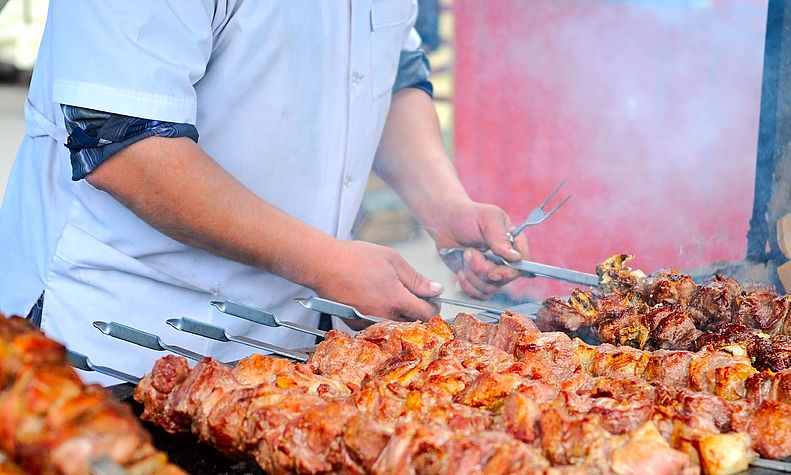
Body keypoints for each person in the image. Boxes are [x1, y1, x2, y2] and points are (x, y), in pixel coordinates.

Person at [0, 1, 528, 381]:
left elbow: (390, 72)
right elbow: (126, 146)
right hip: (120, 330)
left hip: (287, 341)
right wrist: (324, 263)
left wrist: (443, 205)